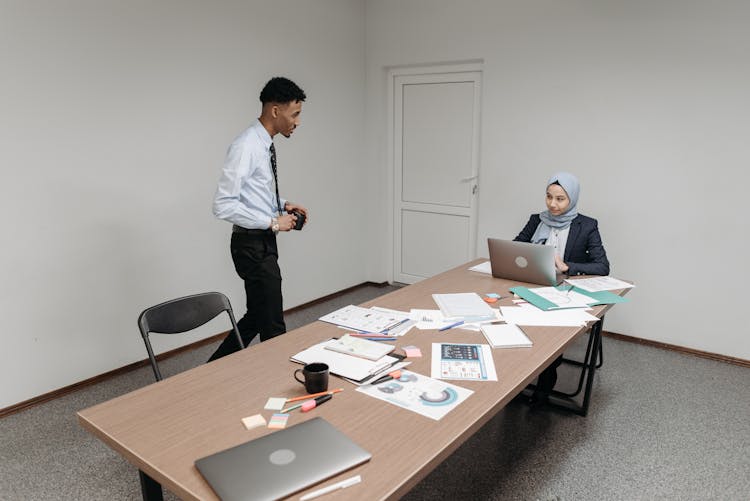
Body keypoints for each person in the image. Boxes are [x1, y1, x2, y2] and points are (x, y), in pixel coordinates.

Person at [209, 77, 309, 361]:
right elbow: (223, 205)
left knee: (256, 315)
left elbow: (253, 192)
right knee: (273, 325)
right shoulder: (246, 146)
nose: (298, 122)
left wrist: (283, 205)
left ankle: (210, 370)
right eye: (295, 114)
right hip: (250, 244)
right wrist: (273, 223)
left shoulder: (263, 143)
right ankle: (276, 383)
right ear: (275, 111)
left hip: (261, 240)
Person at [514, 171, 609, 404]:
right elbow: (516, 247)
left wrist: (567, 267)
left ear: (572, 199)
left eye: (560, 199)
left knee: (550, 337)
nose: (553, 204)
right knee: (514, 326)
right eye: (549, 197)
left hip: (564, 290)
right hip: (533, 284)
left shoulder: (586, 226)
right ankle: (515, 379)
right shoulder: (537, 219)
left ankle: (544, 387)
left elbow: (602, 266)